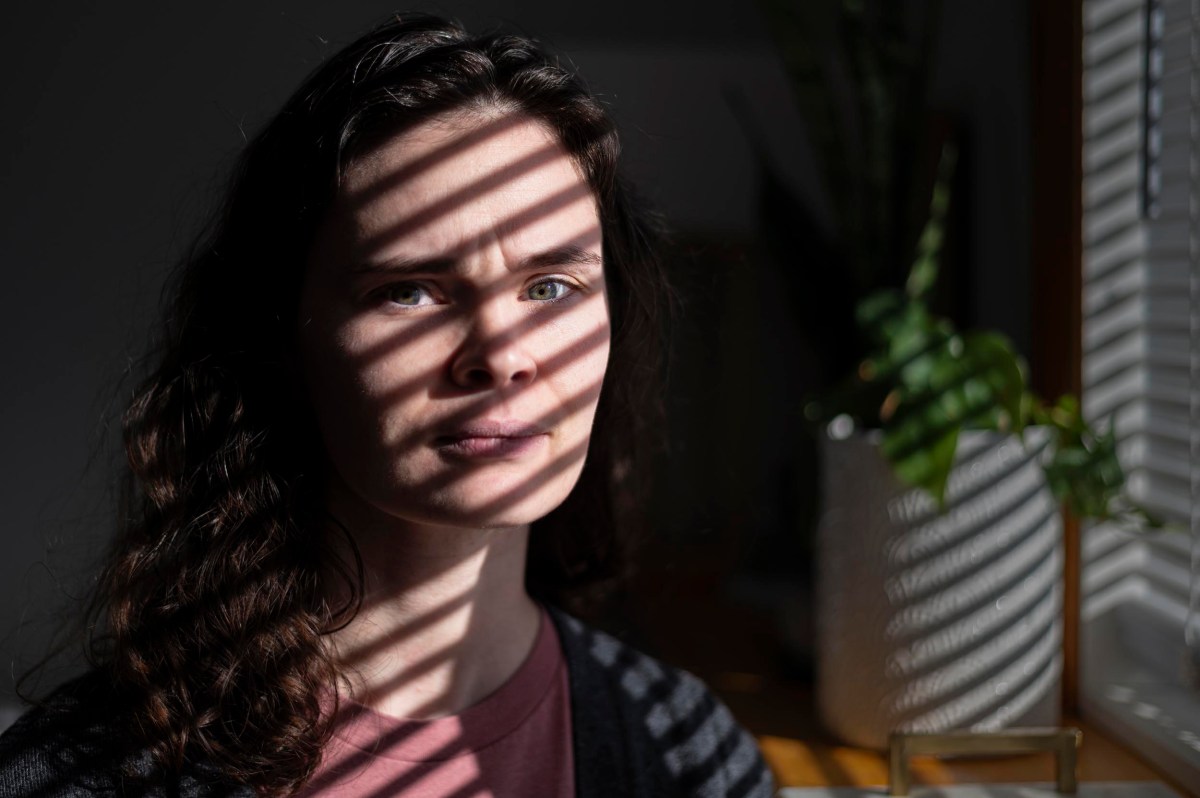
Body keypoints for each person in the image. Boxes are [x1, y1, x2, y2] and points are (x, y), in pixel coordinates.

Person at [0, 12, 773, 798]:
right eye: (409, 291)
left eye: (550, 287)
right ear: (284, 339)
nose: (505, 355)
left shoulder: (687, 755)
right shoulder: (86, 777)